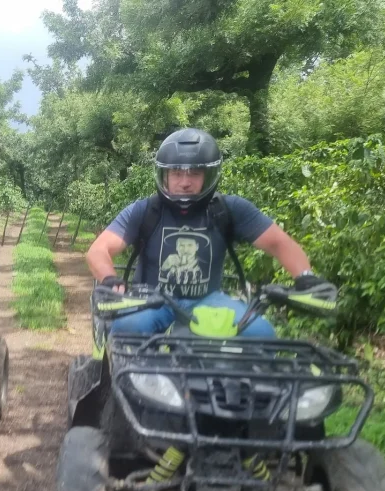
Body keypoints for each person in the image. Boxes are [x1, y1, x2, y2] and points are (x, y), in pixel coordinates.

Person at [86, 128, 335, 336]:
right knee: (127, 327)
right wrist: (109, 280)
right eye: (176, 173)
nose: (185, 181)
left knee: (261, 333)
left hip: (209, 301)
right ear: (164, 174)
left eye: (194, 173)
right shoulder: (145, 210)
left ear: (208, 175)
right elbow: (99, 249)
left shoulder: (230, 209)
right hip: (150, 300)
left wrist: (305, 278)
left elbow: (279, 243)